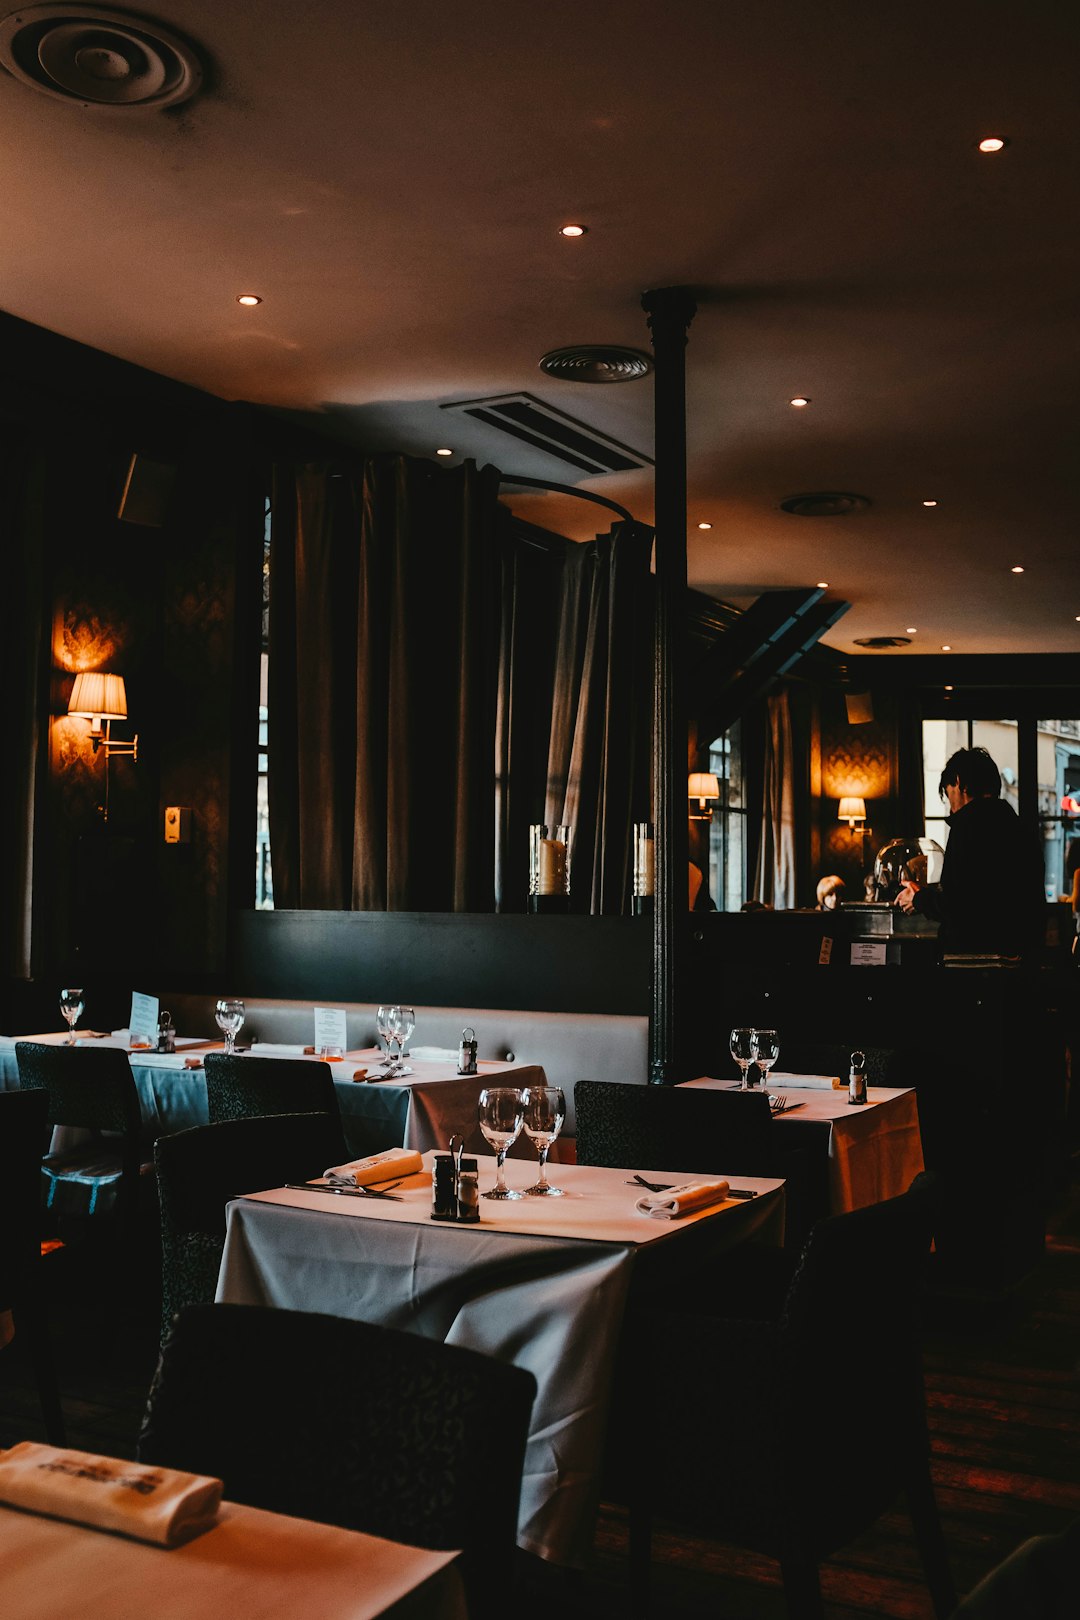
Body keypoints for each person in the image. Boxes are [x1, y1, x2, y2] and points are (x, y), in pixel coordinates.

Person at [896, 746, 1046, 959]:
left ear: (958, 782)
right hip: (1021, 956)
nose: (951, 808)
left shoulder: (967, 824)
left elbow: (960, 904)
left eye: (948, 795)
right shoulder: (1019, 827)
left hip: (976, 960)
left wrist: (919, 899)